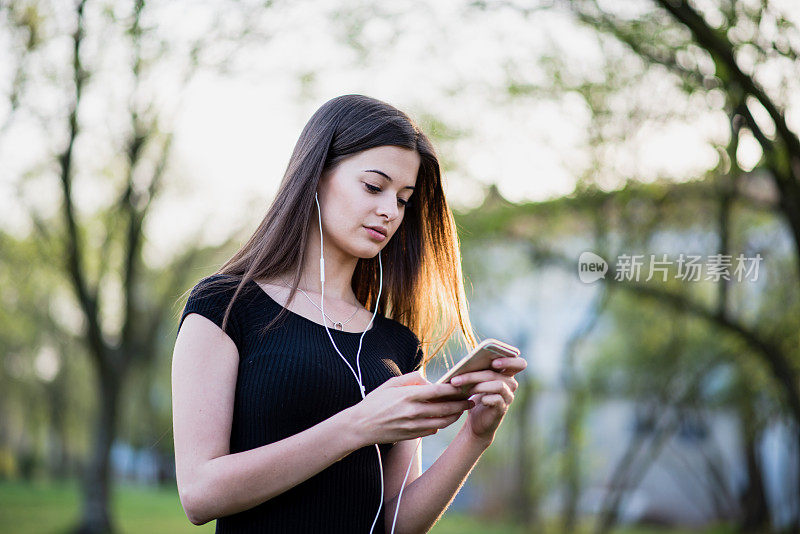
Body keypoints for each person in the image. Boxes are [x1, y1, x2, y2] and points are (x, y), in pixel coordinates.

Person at [171, 94, 527, 533]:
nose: (389, 211)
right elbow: (200, 494)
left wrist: (475, 437)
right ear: (317, 175)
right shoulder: (227, 306)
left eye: (404, 199)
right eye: (374, 187)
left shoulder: (398, 344)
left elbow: (396, 524)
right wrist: (359, 425)